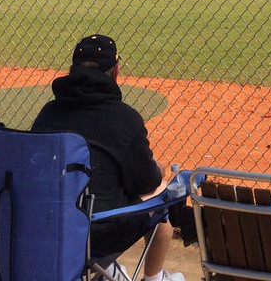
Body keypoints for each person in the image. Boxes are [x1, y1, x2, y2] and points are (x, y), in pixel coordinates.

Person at [32, 35, 185, 281]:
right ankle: (154, 278)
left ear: (72, 71)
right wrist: (160, 170)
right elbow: (145, 182)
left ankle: (109, 272)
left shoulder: (48, 113)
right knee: (162, 191)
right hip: (98, 235)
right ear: (115, 73)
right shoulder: (125, 119)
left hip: (45, 229)